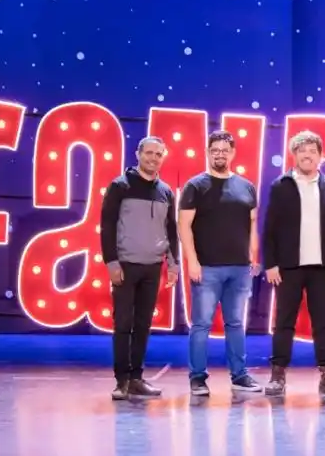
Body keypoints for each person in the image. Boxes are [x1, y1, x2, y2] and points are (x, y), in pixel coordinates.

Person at [262, 130, 325, 396]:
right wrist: (271, 264)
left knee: (323, 323)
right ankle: (277, 375)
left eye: (313, 151)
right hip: (288, 267)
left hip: (322, 268)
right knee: (284, 321)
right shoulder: (281, 185)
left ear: (320, 156)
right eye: (302, 151)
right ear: (295, 155)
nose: (307, 155)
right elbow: (270, 228)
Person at [178, 130, 262, 396]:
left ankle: (239, 375)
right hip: (207, 268)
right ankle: (198, 378)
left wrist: (254, 256)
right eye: (215, 150)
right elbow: (183, 226)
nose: (220, 154)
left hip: (239, 269)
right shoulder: (195, 186)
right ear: (207, 152)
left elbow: (252, 224)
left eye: (224, 150)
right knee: (201, 324)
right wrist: (192, 261)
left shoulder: (246, 187)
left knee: (235, 323)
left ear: (232, 153)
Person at [100, 136, 179, 400]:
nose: (153, 158)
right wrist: (111, 262)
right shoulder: (120, 186)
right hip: (125, 265)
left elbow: (171, 230)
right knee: (123, 323)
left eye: (158, 154)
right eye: (149, 153)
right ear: (138, 154)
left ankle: (136, 378)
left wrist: (173, 264)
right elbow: (107, 226)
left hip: (152, 267)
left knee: (143, 324)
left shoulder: (166, 191)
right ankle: (121, 380)